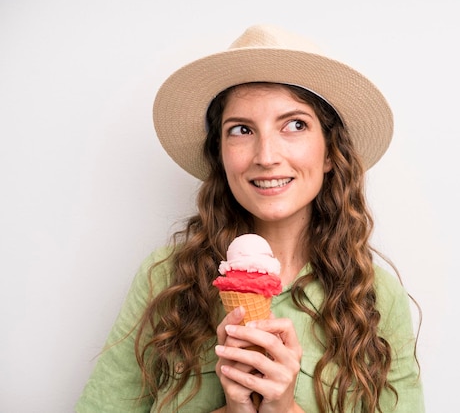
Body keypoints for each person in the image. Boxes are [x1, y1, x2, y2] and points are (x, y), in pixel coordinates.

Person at [76, 24, 425, 413]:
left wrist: (284, 408)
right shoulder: (164, 278)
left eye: (295, 125)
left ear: (330, 153)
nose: (266, 155)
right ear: (221, 155)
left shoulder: (375, 296)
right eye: (241, 130)